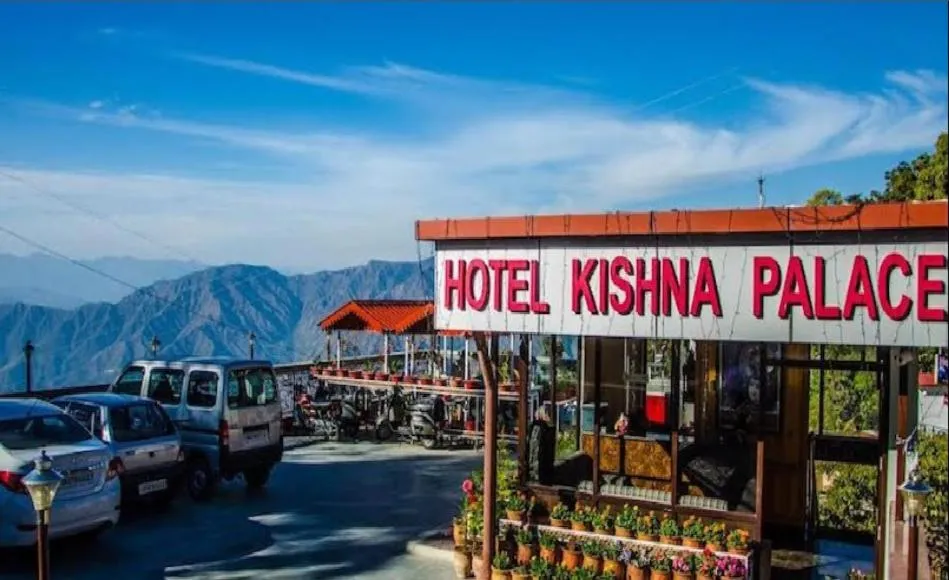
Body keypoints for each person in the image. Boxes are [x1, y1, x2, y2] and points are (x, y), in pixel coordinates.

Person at [528, 407, 555, 484]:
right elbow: (535, 449)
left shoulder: (542, 427)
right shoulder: (540, 427)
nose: (549, 416)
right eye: (547, 414)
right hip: (540, 467)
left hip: (541, 466)